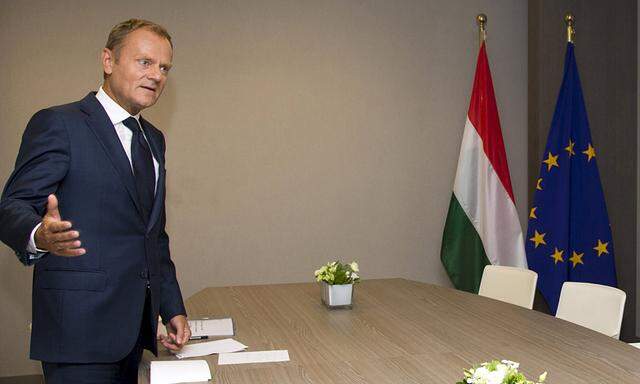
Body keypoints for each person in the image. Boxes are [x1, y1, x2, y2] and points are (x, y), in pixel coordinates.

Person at [0, 19, 191, 383]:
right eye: (145, 62)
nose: (156, 75)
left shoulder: (154, 139)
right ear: (108, 60)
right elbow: (11, 206)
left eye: (165, 67)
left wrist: (172, 307)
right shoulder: (60, 123)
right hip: (77, 333)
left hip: (134, 333)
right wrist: (39, 234)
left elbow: (152, 236)